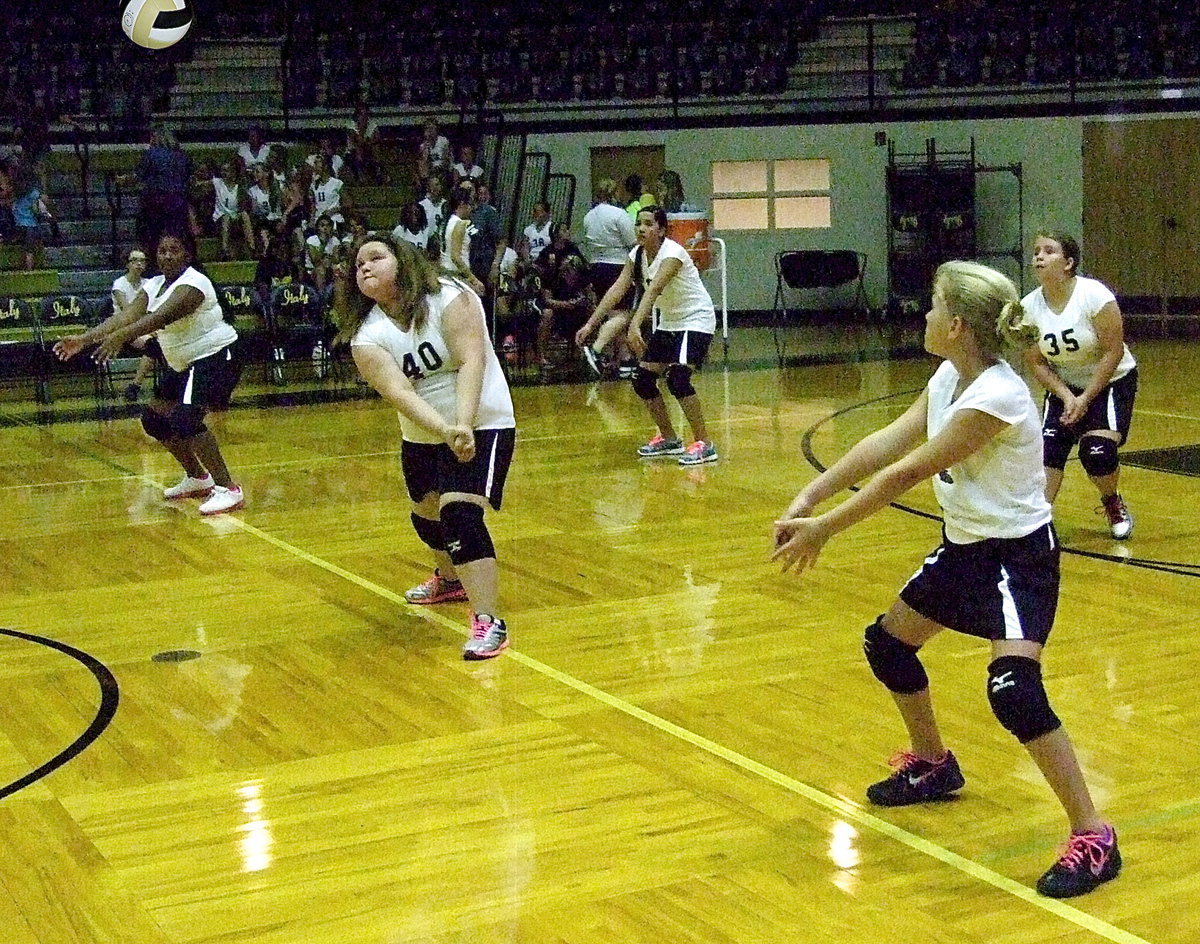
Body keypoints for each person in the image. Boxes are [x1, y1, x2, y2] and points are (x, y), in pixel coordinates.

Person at [772, 260, 1121, 900]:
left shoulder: (997, 395)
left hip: (1017, 562)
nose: (924, 316)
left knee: (1013, 692)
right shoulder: (948, 377)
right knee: (888, 645)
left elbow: (905, 473)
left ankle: (1093, 833)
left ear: (956, 324)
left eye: (933, 308)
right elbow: (887, 441)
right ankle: (934, 764)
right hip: (964, 552)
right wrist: (809, 495)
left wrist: (827, 528)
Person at [334, 235, 516, 660]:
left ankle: (489, 622)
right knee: (426, 514)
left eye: (376, 257)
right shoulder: (366, 337)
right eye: (358, 262)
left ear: (403, 260)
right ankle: (450, 580)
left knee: (460, 514)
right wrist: (445, 429)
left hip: (485, 420)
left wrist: (464, 425)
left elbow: (473, 360)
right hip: (422, 433)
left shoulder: (450, 297)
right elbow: (399, 393)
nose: (364, 266)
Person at [53, 231, 246, 516]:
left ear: (187, 255)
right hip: (185, 362)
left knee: (186, 417)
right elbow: (126, 315)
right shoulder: (154, 285)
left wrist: (120, 337)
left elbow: (159, 318)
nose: (167, 255)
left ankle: (228, 488)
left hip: (216, 356)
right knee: (155, 419)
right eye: (162, 250)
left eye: (174, 250)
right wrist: (84, 339)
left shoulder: (194, 283)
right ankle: (197, 478)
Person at [1021, 231, 1138, 539]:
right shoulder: (1028, 308)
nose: (1039, 256)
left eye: (1049, 251)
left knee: (1096, 452)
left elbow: (1113, 351)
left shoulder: (1094, 296)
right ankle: (1038, 522)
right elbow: (1036, 362)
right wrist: (1065, 395)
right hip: (1065, 386)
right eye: (1036, 251)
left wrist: (1085, 398)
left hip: (1110, 382)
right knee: (1048, 450)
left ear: (1069, 262)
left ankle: (1112, 501)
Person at [589, 205, 718, 465]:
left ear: (661, 230)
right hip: (671, 322)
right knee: (643, 380)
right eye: (639, 224)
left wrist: (635, 324)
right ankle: (669, 438)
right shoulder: (636, 254)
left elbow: (654, 289)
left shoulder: (673, 253)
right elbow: (618, 288)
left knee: (678, 379)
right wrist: (591, 324)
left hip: (695, 320)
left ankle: (705, 443)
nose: (641, 229)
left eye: (648, 224)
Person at [576, 177, 636, 376]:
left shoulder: (588, 217)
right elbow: (632, 241)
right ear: (614, 192)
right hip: (618, 266)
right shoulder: (619, 215)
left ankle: (623, 358)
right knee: (624, 313)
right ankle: (601, 350)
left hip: (596, 267)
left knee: (612, 312)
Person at [110, 248, 159, 401]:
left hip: (146, 326)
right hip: (124, 328)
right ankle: (135, 385)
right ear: (127, 264)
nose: (139, 264)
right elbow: (129, 313)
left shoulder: (149, 283)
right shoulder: (119, 284)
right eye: (135, 260)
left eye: (142, 261)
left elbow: (155, 309)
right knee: (153, 345)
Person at [440, 184, 485, 296]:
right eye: (469, 204)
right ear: (461, 204)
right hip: (455, 275)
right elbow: (455, 257)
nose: (471, 208)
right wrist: (473, 279)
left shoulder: (447, 222)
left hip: (446, 272)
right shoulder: (459, 224)